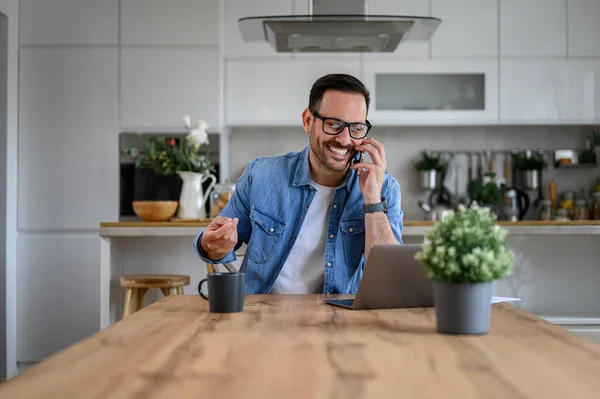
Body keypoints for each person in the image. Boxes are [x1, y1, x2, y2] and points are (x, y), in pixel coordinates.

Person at [193, 73, 404, 294]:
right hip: (261, 318)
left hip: (340, 320)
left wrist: (372, 200)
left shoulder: (384, 188)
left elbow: (390, 275)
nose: (344, 139)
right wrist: (213, 245)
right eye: (334, 124)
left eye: (357, 128)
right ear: (307, 121)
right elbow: (216, 247)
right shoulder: (260, 175)